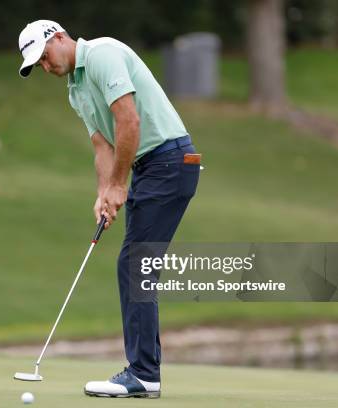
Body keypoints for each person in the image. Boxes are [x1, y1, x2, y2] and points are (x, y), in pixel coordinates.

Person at [17, 20, 201, 398]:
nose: (46, 67)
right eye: (39, 66)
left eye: (45, 57)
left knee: (135, 263)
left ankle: (144, 373)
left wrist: (120, 184)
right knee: (137, 263)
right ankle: (145, 370)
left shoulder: (102, 55)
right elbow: (103, 145)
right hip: (151, 168)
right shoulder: (75, 90)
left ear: (60, 38)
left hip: (169, 161)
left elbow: (128, 120)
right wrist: (105, 190)